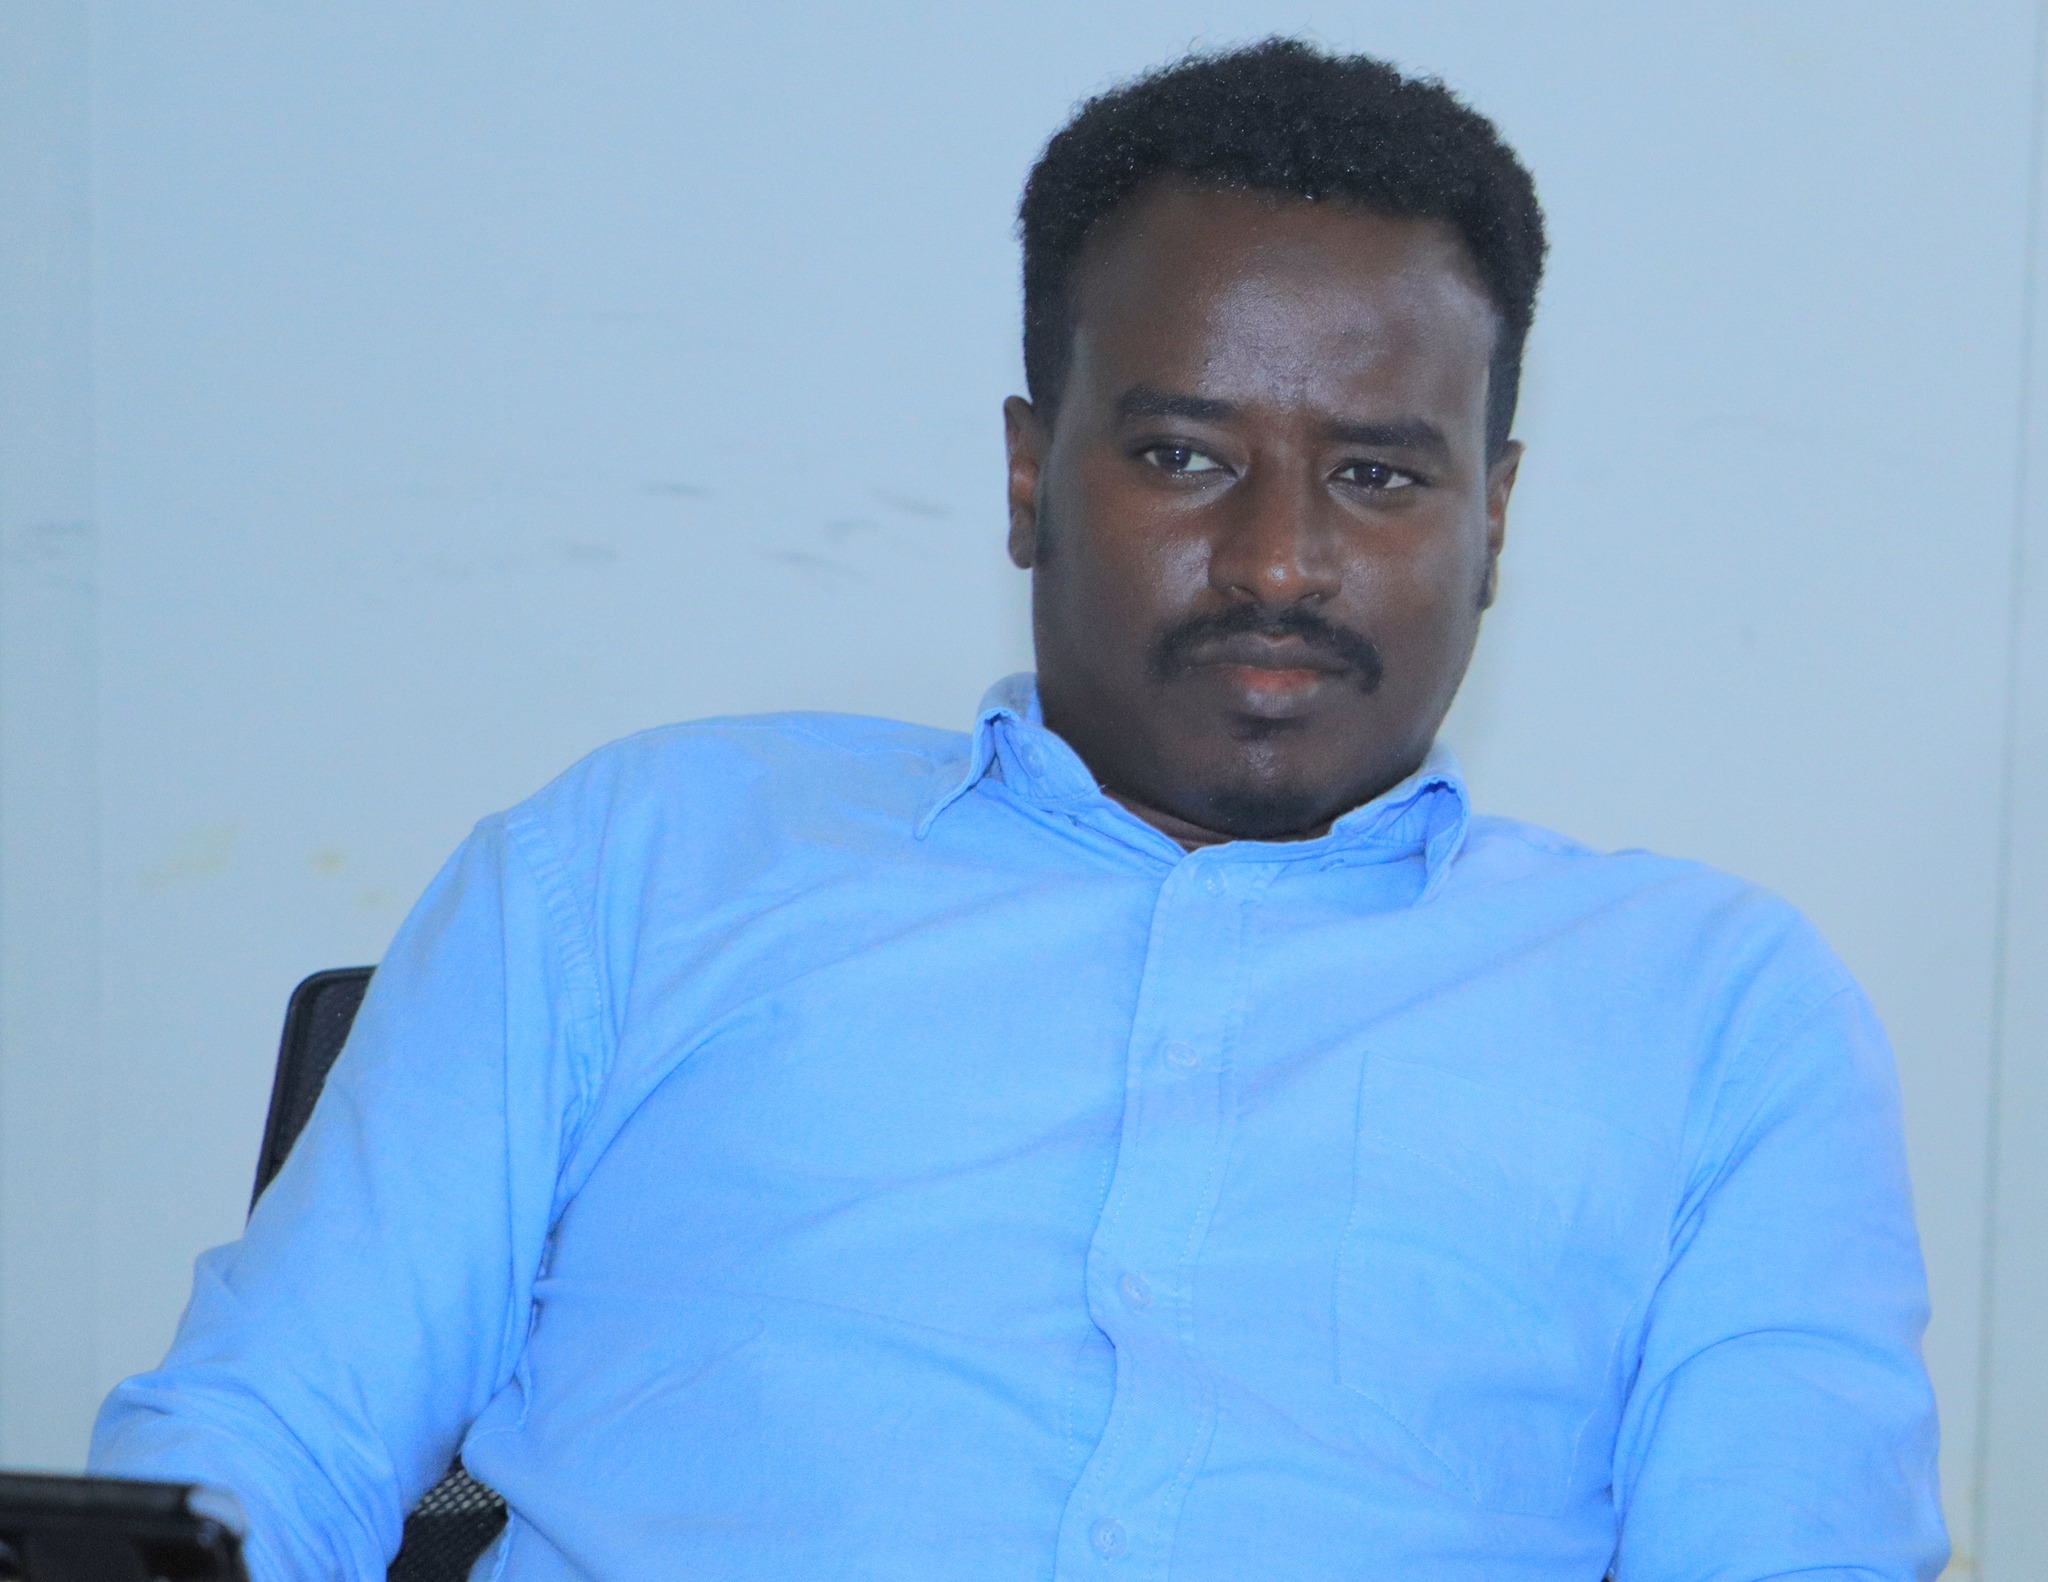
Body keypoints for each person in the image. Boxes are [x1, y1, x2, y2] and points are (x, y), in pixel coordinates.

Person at [91, 39, 1947, 1582]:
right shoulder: (638, 867)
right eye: (1183, 454)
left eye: (1379, 475)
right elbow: (268, 1441)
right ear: (1026, 472)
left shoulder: (1716, 1015)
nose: (1277, 559)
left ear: (1496, 517)